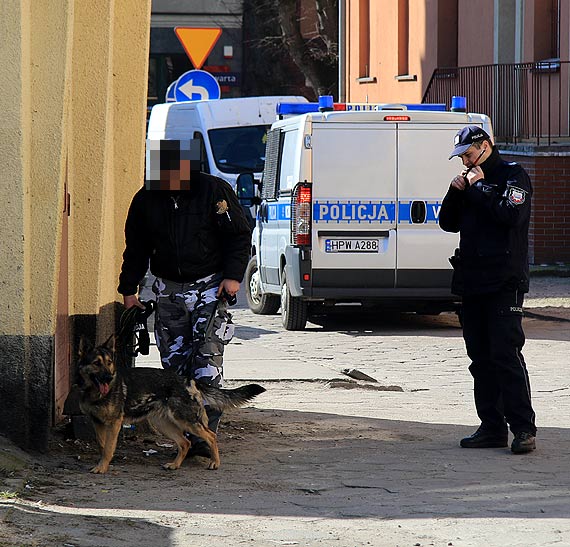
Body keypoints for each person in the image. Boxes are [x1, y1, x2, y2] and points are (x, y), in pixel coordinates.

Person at [118, 139, 252, 457]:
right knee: (174, 370)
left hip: (210, 286)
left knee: (206, 362)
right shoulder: (146, 200)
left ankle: (205, 437)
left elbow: (238, 234)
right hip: (168, 290)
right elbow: (136, 249)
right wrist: (128, 290)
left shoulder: (213, 191)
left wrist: (233, 277)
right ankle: (185, 436)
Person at [439, 125, 537, 454]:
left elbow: (509, 215)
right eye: (461, 157)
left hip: (503, 282)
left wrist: (478, 188)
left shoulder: (513, 175)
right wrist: (456, 191)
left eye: (468, 154)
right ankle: (491, 427)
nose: (464, 162)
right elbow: (448, 222)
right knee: (480, 359)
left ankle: (523, 429)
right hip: (473, 282)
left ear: (484, 147)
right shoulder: (468, 181)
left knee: (505, 355)